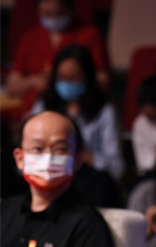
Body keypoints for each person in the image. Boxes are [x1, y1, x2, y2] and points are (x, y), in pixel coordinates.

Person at [0, 111, 114, 247]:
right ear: (19, 158)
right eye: (38, 148)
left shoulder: (86, 222)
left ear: (78, 160)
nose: (48, 157)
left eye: (60, 149)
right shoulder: (6, 210)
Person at [6, 0, 111, 97]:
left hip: (78, 103)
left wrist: (71, 80)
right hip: (36, 104)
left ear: (71, 8)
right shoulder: (30, 37)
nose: (54, 19)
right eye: (47, 14)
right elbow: (12, 84)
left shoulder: (90, 35)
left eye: (59, 13)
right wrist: (34, 81)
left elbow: (103, 80)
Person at [29, 44, 124, 181]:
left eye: (73, 78)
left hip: (88, 182)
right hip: (47, 178)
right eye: (61, 77)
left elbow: (117, 168)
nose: (66, 83)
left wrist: (82, 157)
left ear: (88, 77)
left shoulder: (105, 112)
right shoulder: (43, 105)